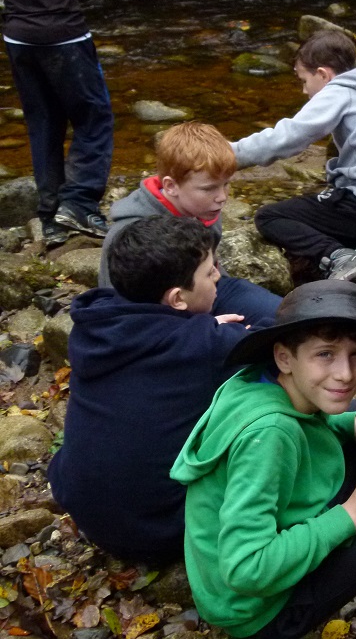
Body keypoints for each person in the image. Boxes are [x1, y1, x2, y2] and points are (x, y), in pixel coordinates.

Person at [170, 280, 356, 639]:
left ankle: (347, 436)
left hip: (234, 582)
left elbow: (301, 416)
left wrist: (349, 423)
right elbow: (247, 569)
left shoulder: (253, 381)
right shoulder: (270, 436)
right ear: (284, 356)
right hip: (259, 612)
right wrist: (352, 514)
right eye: (325, 354)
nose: (345, 374)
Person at [48, 216, 258, 564]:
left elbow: (169, 345)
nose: (219, 275)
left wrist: (201, 329)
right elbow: (276, 340)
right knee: (264, 404)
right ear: (177, 299)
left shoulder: (95, 328)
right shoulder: (204, 346)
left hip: (86, 512)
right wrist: (211, 332)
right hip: (160, 533)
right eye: (209, 272)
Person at [230, 30, 356, 284]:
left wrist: (231, 154)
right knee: (323, 200)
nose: (304, 91)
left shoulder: (340, 91)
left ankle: (340, 256)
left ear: (323, 74)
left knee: (270, 216)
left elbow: (289, 137)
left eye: (304, 80)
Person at [0, 0, 128, 246]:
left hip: (17, 37)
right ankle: (80, 204)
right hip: (63, 35)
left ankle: (51, 217)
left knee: (43, 124)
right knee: (94, 118)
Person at [98, 121, 281, 325]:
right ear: (171, 186)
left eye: (226, 184)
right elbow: (116, 308)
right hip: (158, 317)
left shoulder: (203, 207)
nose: (222, 197)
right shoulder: (129, 232)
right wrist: (207, 329)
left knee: (288, 317)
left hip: (210, 290)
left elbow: (213, 270)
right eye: (208, 188)